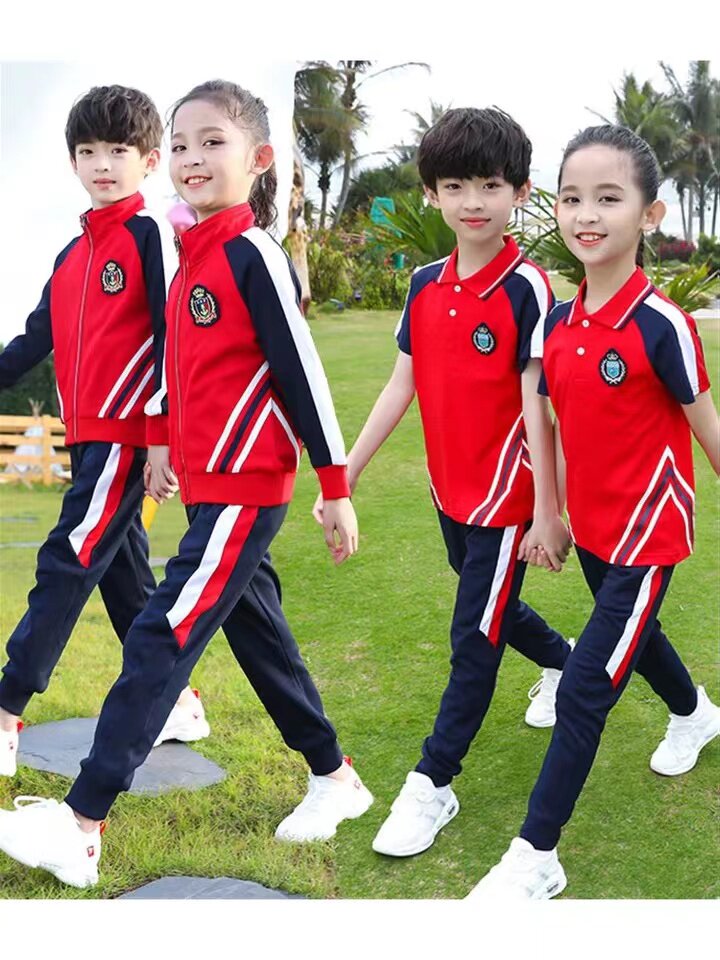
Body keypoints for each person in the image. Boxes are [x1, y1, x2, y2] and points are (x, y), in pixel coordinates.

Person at [0, 79, 372, 889]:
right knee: (260, 638)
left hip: (246, 484)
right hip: (205, 483)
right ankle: (334, 775)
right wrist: (164, 444)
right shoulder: (193, 255)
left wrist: (335, 483)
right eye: (180, 145)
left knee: (161, 632)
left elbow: (301, 371)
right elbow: (178, 366)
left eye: (212, 142)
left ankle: (82, 824)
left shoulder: (252, 253)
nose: (191, 158)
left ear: (259, 159)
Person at [314, 108, 574, 859]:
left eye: (489, 185)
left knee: (474, 637)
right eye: (454, 186)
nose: (472, 202)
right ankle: (563, 662)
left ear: (520, 191)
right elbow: (402, 384)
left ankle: (433, 782)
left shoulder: (529, 288)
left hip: (506, 496)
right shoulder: (424, 285)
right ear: (431, 193)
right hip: (447, 489)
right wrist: (344, 476)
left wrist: (548, 511)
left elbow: (539, 406)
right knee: (486, 602)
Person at [469, 125, 720, 900]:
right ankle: (696, 714)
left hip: (649, 533)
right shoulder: (557, 322)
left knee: (584, 684)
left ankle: (536, 857)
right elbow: (544, 423)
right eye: (573, 197)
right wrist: (548, 514)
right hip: (593, 530)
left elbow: (708, 430)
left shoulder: (661, 325)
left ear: (649, 214)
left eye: (609, 198)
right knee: (637, 639)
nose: (586, 214)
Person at [0, 85, 208, 782]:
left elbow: (173, 339)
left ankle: (5, 708)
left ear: (148, 160)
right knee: (124, 578)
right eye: (88, 151)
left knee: (68, 556)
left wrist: (160, 436)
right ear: (73, 162)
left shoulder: (151, 238)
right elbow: (34, 338)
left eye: (119, 150)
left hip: (128, 433)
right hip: (86, 435)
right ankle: (177, 702)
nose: (102, 164)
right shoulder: (70, 256)